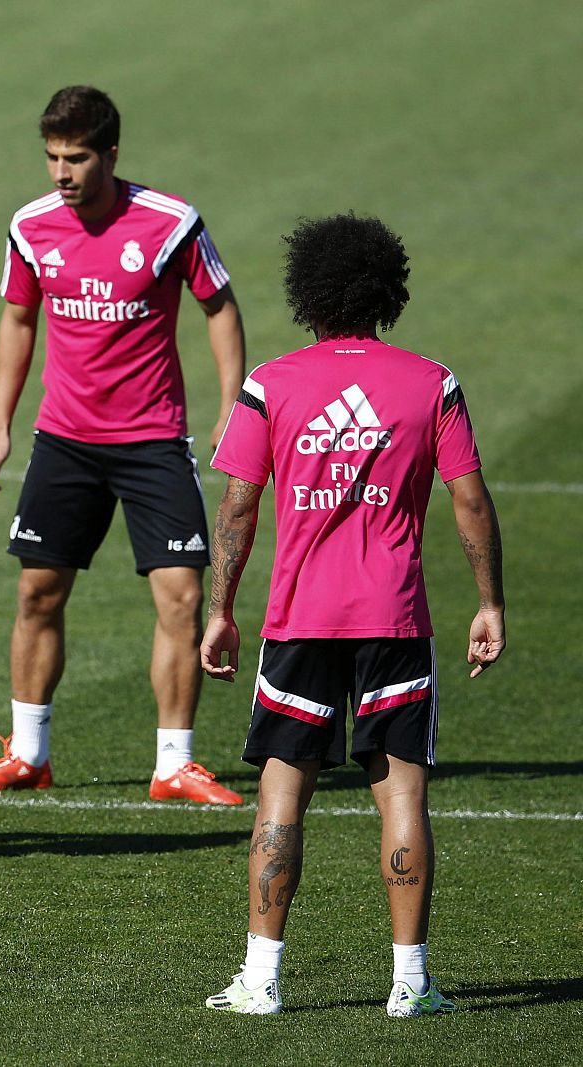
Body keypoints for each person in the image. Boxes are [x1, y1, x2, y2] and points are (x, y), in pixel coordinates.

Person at [201, 213, 504, 1015]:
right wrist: (489, 601)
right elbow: (469, 499)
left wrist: (222, 610)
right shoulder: (430, 381)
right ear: (386, 288)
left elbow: (237, 506)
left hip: (299, 619)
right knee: (402, 798)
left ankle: (261, 981)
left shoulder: (272, 382)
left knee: (280, 798)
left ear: (309, 292)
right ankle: (411, 984)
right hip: (395, 621)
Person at [0, 85, 247, 803]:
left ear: (111, 153)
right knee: (37, 592)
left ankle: (174, 763)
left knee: (180, 598)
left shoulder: (171, 223)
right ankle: (28, 754)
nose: (61, 172)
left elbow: (219, 307)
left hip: (153, 439)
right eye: (52, 157)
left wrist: (233, 406)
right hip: (65, 441)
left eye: (76, 158)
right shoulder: (31, 226)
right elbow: (19, 319)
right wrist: (1, 423)